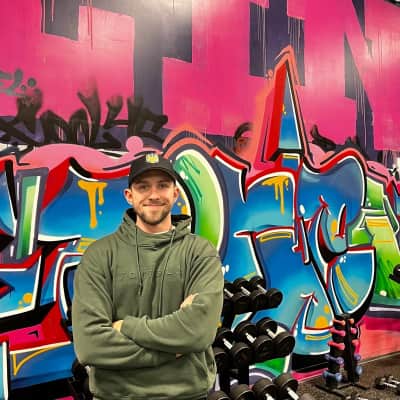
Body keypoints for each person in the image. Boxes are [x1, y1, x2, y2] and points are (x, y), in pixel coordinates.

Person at [72, 152, 224, 400]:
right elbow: (90, 346)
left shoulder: (199, 253)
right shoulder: (99, 255)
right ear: (129, 195)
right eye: (143, 187)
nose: (153, 195)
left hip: (186, 395)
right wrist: (174, 349)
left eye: (162, 186)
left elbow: (198, 331)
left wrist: (126, 326)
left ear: (175, 194)